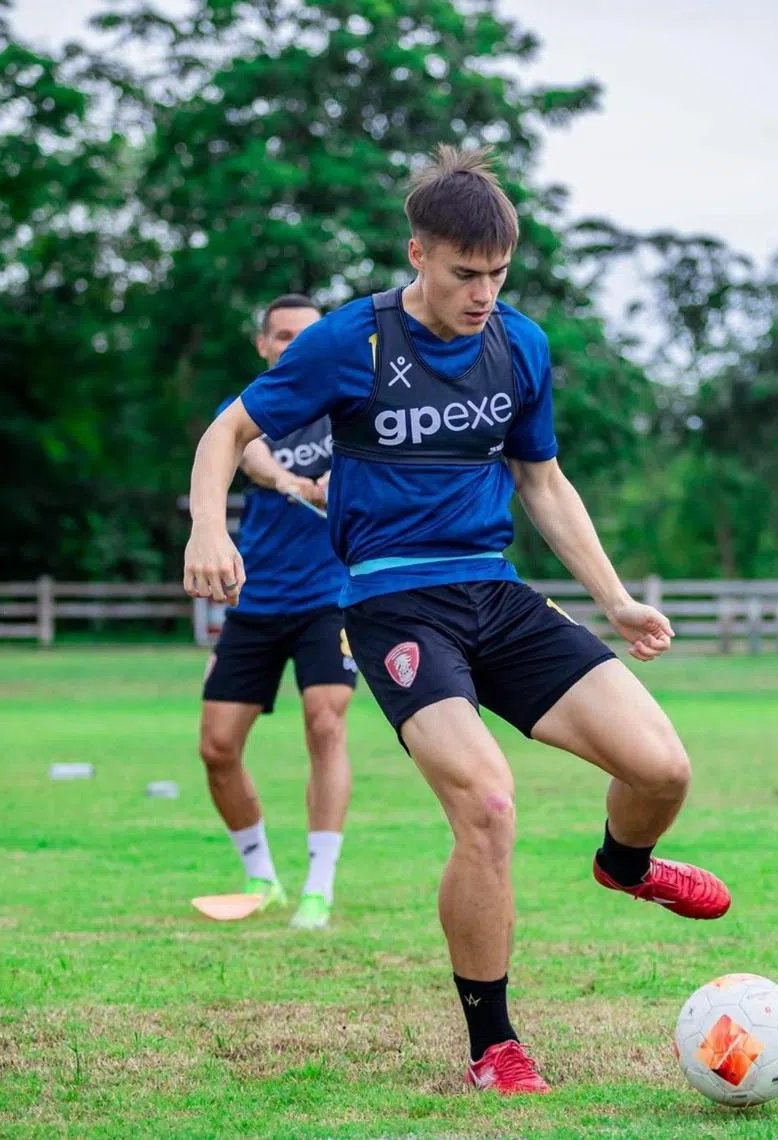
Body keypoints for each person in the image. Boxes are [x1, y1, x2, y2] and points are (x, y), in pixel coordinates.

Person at [184, 148, 730, 1091]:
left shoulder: (519, 344)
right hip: (391, 603)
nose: (483, 294)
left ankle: (626, 863)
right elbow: (228, 429)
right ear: (419, 254)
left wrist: (615, 599)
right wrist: (207, 528)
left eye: (498, 274)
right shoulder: (351, 342)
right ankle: (494, 1045)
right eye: (465, 273)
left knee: (662, 767)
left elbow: (541, 480)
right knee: (488, 806)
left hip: (494, 592)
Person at [198, 294, 356, 931]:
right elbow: (247, 452)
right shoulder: (248, 407)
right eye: (282, 336)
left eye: (306, 335)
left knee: (325, 724)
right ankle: (261, 876)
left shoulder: (349, 403)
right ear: (263, 345)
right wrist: (289, 481)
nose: (294, 346)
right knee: (217, 747)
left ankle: (319, 886)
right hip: (256, 599)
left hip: (330, 599)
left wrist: (344, 477)